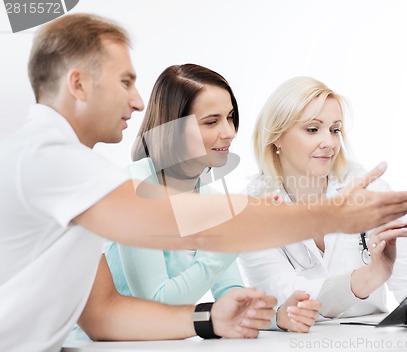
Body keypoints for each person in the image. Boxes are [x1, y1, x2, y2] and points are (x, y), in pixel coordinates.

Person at [0, 14, 407, 352]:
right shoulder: (48, 158)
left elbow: (104, 315)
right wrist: (330, 214)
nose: (138, 100)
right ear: (78, 84)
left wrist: (209, 318)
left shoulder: (77, 172)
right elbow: (181, 224)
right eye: (125, 81)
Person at [239, 76, 407, 324]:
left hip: (372, 343)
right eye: (312, 129)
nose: (329, 142)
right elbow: (283, 300)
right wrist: (370, 276)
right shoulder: (251, 209)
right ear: (276, 137)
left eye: (335, 129)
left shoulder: (372, 192)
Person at [105, 63, 321, 332]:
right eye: (211, 121)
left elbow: (230, 293)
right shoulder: (134, 189)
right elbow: (157, 305)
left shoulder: (211, 197)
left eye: (230, 117)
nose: (229, 132)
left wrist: (277, 315)